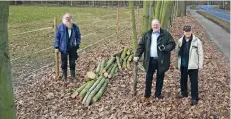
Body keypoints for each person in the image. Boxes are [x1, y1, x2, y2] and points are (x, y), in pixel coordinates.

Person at [134, 19, 175, 99]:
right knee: (148, 77)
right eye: (154, 25)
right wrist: (137, 55)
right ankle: (147, 94)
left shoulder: (166, 34)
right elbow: (141, 46)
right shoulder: (146, 35)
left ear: (159, 25)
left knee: (160, 77)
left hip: (161, 60)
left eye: (157, 24)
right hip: (150, 60)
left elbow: (172, 44)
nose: (155, 26)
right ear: (151, 26)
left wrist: (165, 48)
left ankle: (158, 94)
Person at [175, 25, 204, 105]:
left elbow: (201, 54)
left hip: (193, 66)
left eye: (189, 31)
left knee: (194, 82)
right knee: (183, 80)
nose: (187, 33)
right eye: (186, 31)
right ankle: (184, 93)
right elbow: (177, 53)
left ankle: (194, 97)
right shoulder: (180, 41)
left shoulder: (197, 41)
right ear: (183, 32)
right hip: (183, 65)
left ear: (191, 31)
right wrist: (177, 64)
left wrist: (200, 65)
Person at [54, 13, 81, 82]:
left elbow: (78, 36)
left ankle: (73, 76)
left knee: (72, 62)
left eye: (69, 17)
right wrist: (56, 47)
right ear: (64, 19)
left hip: (72, 48)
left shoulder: (75, 27)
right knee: (64, 63)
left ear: (71, 19)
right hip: (63, 48)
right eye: (66, 18)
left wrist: (77, 44)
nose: (68, 19)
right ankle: (64, 76)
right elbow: (57, 37)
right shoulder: (60, 27)